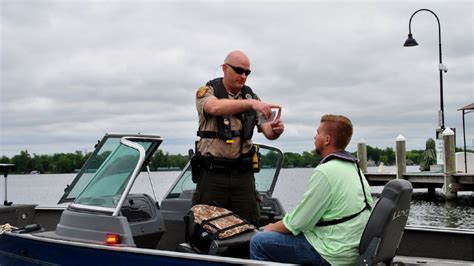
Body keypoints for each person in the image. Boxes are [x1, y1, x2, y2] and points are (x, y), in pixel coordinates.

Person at [250, 114, 373, 265]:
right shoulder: (354, 168)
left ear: (327, 140)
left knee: (258, 242)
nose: (315, 137)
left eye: (318, 133)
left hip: (332, 252)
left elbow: (298, 222)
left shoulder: (326, 171)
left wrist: (270, 227)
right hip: (352, 247)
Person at [193, 50, 285, 225]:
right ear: (225, 68)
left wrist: (277, 130)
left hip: (243, 176)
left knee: (250, 223)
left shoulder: (252, 97)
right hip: (213, 175)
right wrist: (251, 104)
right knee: (208, 226)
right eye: (239, 70)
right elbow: (214, 108)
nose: (243, 76)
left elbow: (268, 132)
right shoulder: (206, 92)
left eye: (247, 73)